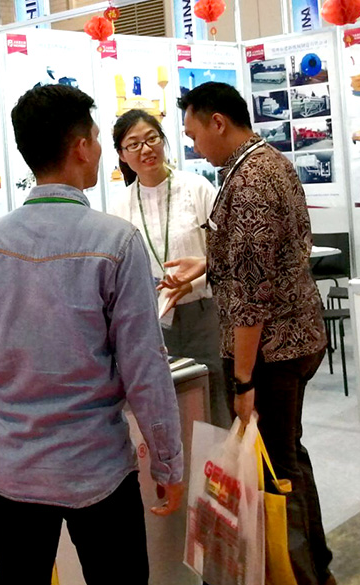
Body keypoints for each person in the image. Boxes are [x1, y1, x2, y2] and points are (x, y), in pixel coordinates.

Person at [0, 85, 185, 585]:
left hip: (15, 469)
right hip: (98, 468)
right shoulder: (116, 241)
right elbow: (145, 368)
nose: (102, 149)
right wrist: (167, 461)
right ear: (81, 147)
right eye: (98, 138)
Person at [161, 82, 334, 585]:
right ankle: (316, 566)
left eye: (194, 134)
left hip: (273, 351)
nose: (194, 145)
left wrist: (242, 381)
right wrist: (206, 264)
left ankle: (301, 575)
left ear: (218, 122)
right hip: (293, 338)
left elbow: (253, 295)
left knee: (277, 472)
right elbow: (261, 255)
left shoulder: (251, 180)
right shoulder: (264, 163)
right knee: (288, 457)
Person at [110, 109, 233, 429]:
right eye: (134, 144)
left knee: (215, 399)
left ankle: (221, 461)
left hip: (205, 313)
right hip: (152, 320)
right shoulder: (121, 206)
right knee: (169, 404)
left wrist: (193, 284)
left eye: (152, 138)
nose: (146, 149)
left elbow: (227, 253)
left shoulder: (197, 188)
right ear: (122, 155)